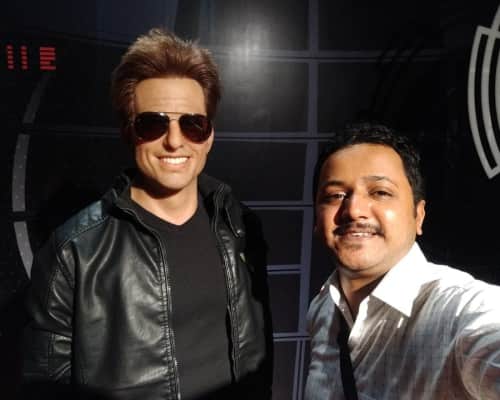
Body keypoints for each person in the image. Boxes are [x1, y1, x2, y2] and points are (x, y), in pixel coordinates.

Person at [22, 28, 273, 400]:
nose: (174, 140)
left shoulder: (240, 226)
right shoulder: (73, 253)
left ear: (209, 135)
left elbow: (260, 354)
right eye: (153, 124)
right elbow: (44, 389)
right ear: (129, 132)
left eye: (192, 123)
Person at [305, 123, 500, 399]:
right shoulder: (321, 308)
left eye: (380, 192)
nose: (354, 210)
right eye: (335, 196)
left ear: (418, 216)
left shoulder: (458, 310)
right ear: (316, 219)